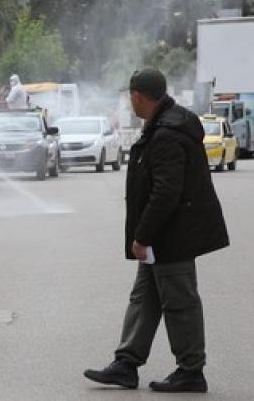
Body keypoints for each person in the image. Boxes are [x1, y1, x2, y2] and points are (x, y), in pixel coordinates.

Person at [84, 69, 229, 393]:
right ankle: (126, 363)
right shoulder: (165, 126)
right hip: (163, 237)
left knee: (179, 301)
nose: (129, 102)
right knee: (145, 298)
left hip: (172, 236)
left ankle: (191, 370)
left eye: (129, 97)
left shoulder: (167, 133)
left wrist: (143, 236)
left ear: (137, 96)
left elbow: (166, 193)